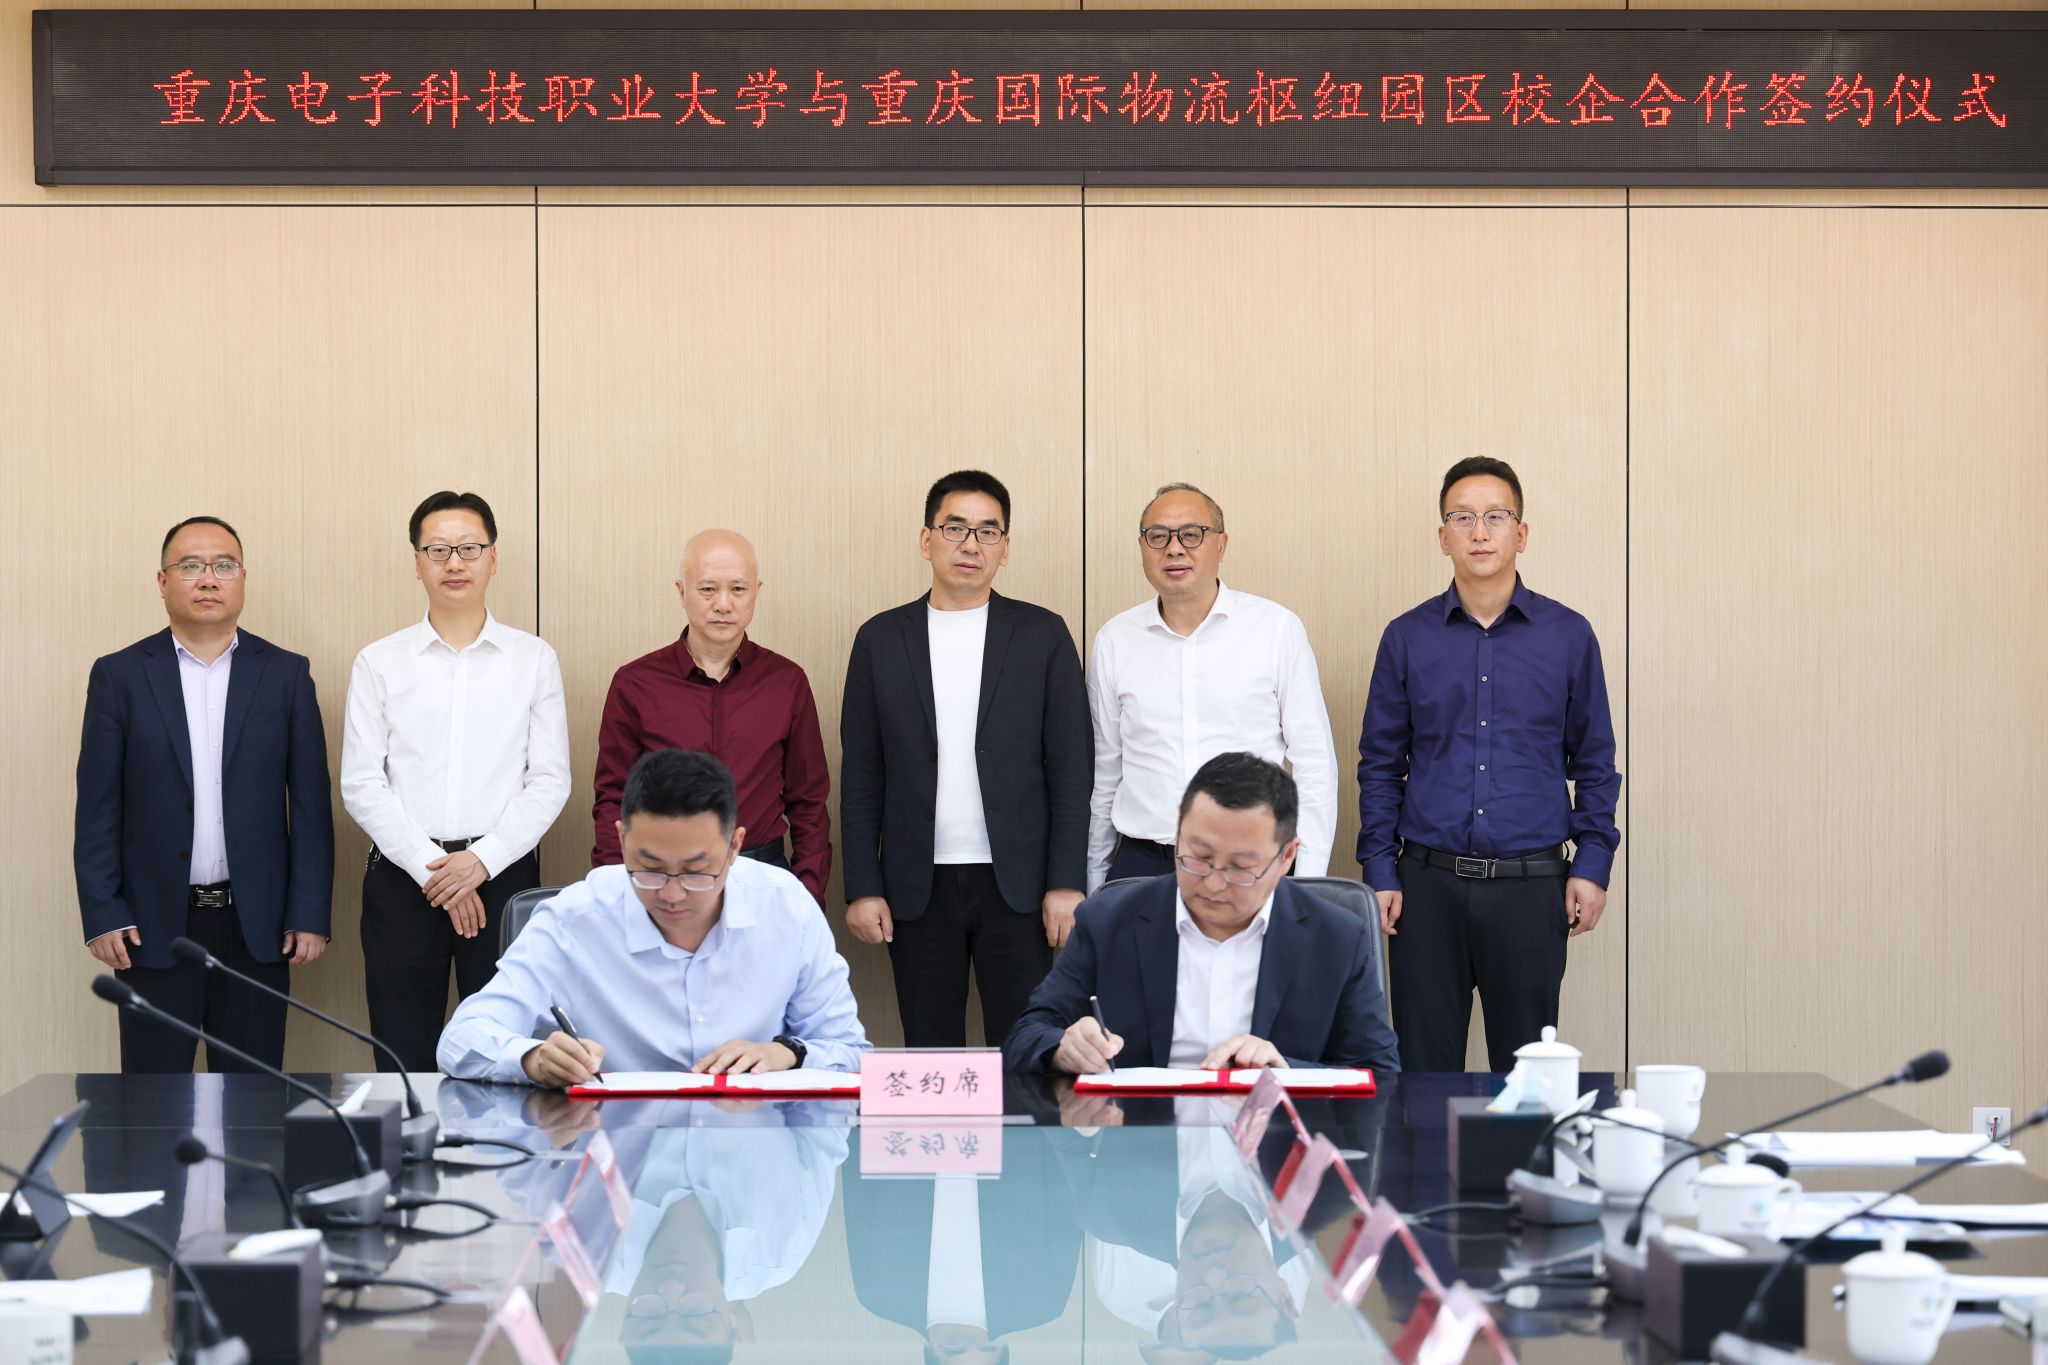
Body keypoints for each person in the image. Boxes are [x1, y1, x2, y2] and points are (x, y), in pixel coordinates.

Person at [1357, 456, 1621, 1073]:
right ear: (1442, 536)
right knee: (1422, 1077)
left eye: (1496, 517)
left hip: (1532, 889)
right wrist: (1380, 868)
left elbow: (1595, 762)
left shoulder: (1568, 636)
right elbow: (1381, 764)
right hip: (1426, 890)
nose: (1479, 532)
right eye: (1463, 518)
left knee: (1527, 1081)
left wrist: (1592, 865)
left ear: (1520, 533)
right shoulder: (1406, 637)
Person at [839, 470, 1091, 1048]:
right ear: (926, 539)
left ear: (1005, 547)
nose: (971, 544)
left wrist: (1065, 882)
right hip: (915, 886)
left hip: (1020, 887)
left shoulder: (1043, 635)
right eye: (955, 528)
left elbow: (1071, 771)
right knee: (931, 1048)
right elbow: (862, 776)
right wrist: (863, 886)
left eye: (988, 531)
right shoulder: (880, 639)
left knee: (1026, 1046)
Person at [437, 748, 869, 1085]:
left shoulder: (787, 908)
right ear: (622, 839)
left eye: (697, 872)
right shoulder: (574, 919)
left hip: (751, 1152)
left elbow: (849, 1050)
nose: (673, 894)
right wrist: (530, 1058)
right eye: (650, 869)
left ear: (734, 847)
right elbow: (461, 1038)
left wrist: (787, 1053)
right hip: (618, 1155)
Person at [73, 515, 333, 1073]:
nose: (209, 578)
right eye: (191, 566)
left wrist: (309, 911)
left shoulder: (286, 674)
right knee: (152, 1099)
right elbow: (97, 806)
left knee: (252, 1099)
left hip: (257, 926)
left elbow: (311, 807)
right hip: (151, 925)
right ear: (163, 580)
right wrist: (103, 911)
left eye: (224, 565)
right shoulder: (120, 676)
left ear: (243, 578)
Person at [342, 490, 571, 1073]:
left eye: (469, 548)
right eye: (438, 549)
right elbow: (362, 783)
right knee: (402, 1055)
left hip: (503, 877)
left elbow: (549, 781)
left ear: (494, 559)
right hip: (403, 878)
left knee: (504, 1055)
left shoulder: (533, 659)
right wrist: (435, 872)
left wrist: (480, 863)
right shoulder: (379, 661)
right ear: (416, 562)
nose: (454, 563)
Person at [1004, 752, 1399, 1076]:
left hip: (1273, 1144)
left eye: (1240, 868)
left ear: (1287, 856)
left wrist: (1285, 1071)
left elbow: (1379, 1073)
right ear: (1179, 827)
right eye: (1198, 856)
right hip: (1139, 1141)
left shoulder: (1337, 938)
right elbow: (1026, 1036)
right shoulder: (1108, 921)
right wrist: (1062, 1048)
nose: (1213, 883)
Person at [1086, 483, 1339, 889]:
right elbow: (1104, 770)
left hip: (1250, 862)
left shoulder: (1275, 629)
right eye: (1158, 536)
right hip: (1145, 863)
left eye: (1191, 534)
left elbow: (1314, 762)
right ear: (1142, 547)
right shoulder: (1115, 639)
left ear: (1221, 545)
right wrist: (1094, 879)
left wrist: (1308, 881)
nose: (1174, 549)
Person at [590, 529, 831, 906]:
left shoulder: (787, 682)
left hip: (763, 877)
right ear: (681, 592)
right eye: (707, 589)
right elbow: (613, 798)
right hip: (665, 882)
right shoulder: (635, 684)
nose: (723, 604)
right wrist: (615, 892)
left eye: (738, 589)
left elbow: (809, 800)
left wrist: (808, 894)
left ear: (756, 591)